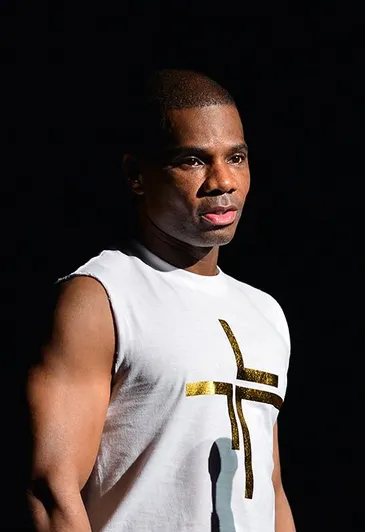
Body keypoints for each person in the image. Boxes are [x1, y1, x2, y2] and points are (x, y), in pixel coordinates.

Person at [26, 69, 296, 531]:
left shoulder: (265, 312)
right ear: (136, 175)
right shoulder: (101, 295)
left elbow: (268, 491)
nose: (222, 181)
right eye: (193, 160)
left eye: (237, 157)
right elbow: (53, 492)